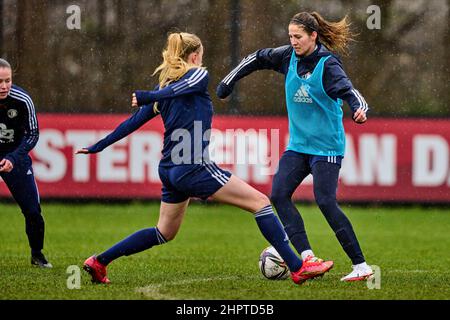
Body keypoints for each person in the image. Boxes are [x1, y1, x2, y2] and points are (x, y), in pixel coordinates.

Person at [76, 32, 333, 285]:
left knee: (163, 232)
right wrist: (104, 141)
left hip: (169, 169)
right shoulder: (196, 74)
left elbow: (133, 122)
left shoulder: (165, 88)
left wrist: (100, 145)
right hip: (193, 167)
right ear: (195, 55)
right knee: (261, 202)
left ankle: (99, 262)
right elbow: (147, 111)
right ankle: (299, 268)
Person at [216, 12, 373, 282]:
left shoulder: (328, 65)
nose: (293, 41)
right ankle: (308, 257)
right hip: (298, 146)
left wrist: (359, 108)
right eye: (290, 36)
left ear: (313, 36)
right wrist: (228, 82)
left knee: (325, 201)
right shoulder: (288, 56)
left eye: (298, 37)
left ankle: (361, 266)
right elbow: (255, 58)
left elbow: (350, 91)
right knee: (278, 194)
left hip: (327, 148)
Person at [0, 58, 52, 268]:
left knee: (32, 210)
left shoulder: (23, 100)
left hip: (15, 156)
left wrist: (13, 157)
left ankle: (37, 255)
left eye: (7, 80)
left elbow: (33, 134)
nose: (4, 86)